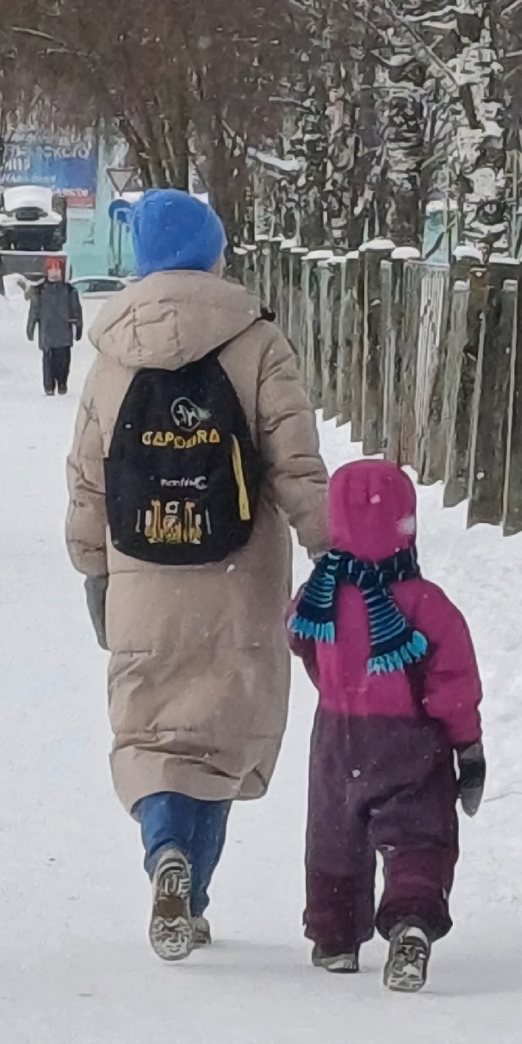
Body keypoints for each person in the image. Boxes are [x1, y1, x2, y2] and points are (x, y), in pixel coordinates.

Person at [66, 189, 328, 959]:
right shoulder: (256, 341)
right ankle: (193, 884)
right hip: (237, 568)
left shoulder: (112, 352)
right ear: (215, 253)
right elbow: (296, 462)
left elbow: (87, 476)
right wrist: (336, 548)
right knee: (216, 736)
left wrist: (93, 570)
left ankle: (165, 855)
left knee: (155, 733)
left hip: (141, 566)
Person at [289, 458, 484, 992]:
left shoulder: (320, 595)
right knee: (418, 838)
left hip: (338, 735)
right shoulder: (427, 605)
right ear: (408, 522)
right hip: (411, 741)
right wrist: (467, 747)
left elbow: (300, 639)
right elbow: (454, 683)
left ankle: (334, 938)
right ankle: (412, 921)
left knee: (335, 835)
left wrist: (335, 685)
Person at [26, 257, 84, 396]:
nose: (54, 272)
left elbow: (76, 310)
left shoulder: (70, 291)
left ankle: (62, 383)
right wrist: (31, 328)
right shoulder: (39, 291)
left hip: (64, 332)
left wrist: (78, 327)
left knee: (63, 361)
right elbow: (34, 310)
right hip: (47, 332)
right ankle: (49, 386)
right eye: (51, 268)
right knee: (48, 360)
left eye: (57, 268)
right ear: (46, 271)